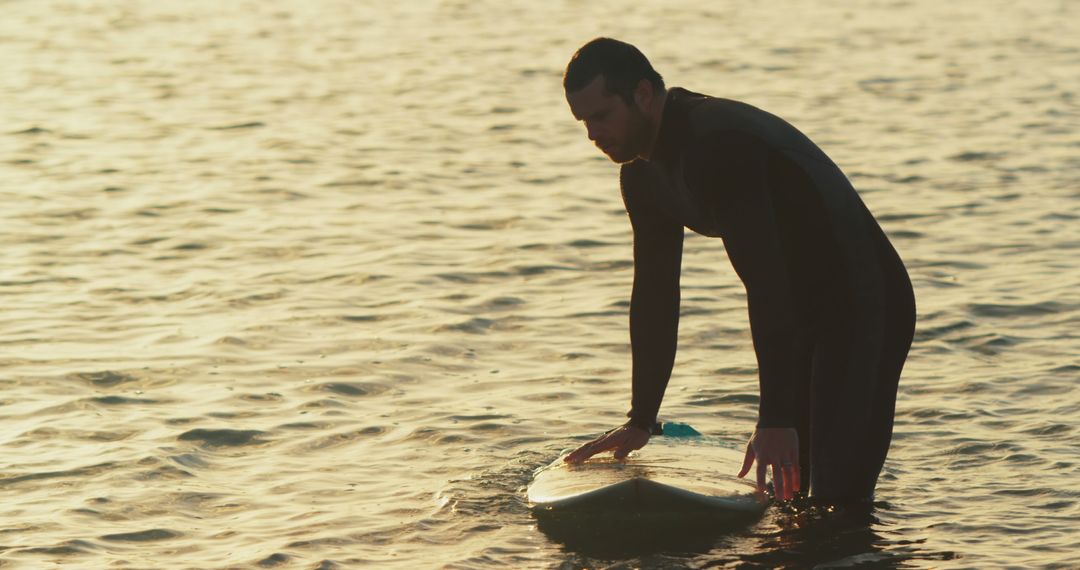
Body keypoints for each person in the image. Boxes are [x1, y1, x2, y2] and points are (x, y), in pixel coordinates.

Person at [560, 38, 916, 505]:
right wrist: (642, 418)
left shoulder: (716, 145)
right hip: (802, 314)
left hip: (867, 304)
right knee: (793, 502)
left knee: (836, 503)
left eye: (601, 116)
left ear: (643, 95)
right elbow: (655, 294)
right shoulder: (642, 177)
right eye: (583, 122)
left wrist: (774, 418)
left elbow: (764, 280)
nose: (592, 134)